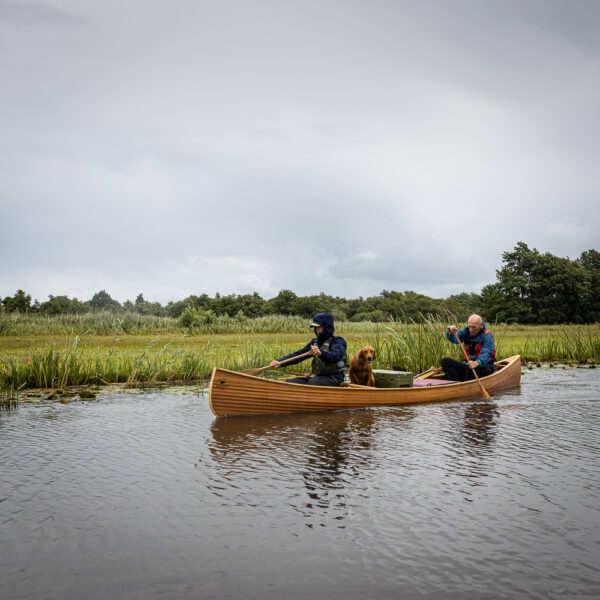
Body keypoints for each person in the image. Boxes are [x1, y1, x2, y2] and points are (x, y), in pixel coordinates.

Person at [268, 312, 348, 386]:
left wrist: (321, 353)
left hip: (334, 378)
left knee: (312, 383)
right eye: (315, 328)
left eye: (319, 327)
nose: (317, 330)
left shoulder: (338, 341)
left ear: (327, 327)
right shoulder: (315, 342)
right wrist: (280, 362)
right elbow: (298, 355)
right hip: (317, 377)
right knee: (289, 382)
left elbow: (337, 355)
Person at [440, 314, 496, 382]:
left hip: (484, 367)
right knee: (445, 361)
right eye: (469, 326)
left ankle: (465, 385)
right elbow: (455, 339)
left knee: (470, 366)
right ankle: (455, 383)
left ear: (481, 325)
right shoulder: (466, 331)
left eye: (473, 327)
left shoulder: (487, 336)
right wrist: (451, 333)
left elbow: (486, 352)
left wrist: (476, 363)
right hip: (469, 367)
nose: (471, 330)